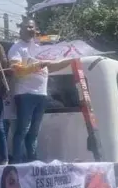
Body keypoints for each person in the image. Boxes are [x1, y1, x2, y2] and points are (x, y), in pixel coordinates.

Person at [8, 18, 72, 163]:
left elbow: (51, 67)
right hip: (25, 94)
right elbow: (17, 71)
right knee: (23, 130)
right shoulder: (17, 48)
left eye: (32, 27)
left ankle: (32, 161)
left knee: (34, 132)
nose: (30, 30)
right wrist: (38, 65)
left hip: (41, 94)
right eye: (27, 27)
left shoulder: (40, 47)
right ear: (21, 29)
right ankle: (17, 162)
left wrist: (70, 60)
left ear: (36, 30)